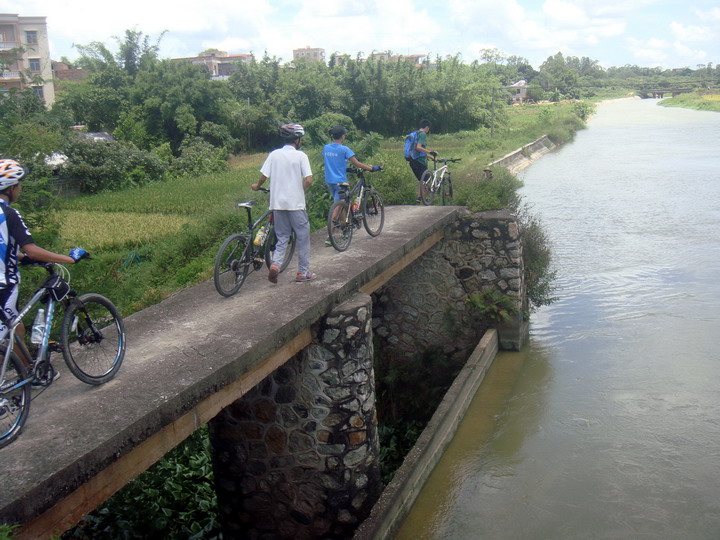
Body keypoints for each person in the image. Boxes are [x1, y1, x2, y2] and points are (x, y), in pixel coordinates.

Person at [0, 159, 86, 369]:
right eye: (19, 185)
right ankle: (20, 379)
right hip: (4, 285)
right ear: (11, 188)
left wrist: (21, 257)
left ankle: (27, 375)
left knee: (17, 330)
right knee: (9, 333)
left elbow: (4, 246)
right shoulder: (9, 214)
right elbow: (31, 249)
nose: (20, 189)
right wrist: (67, 259)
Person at [252, 124, 315, 283]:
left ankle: (275, 264)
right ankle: (302, 272)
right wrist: (299, 190)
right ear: (297, 139)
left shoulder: (274, 154)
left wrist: (257, 186)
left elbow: (263, 176)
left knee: (282, 237)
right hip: (296, 205)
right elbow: (309, 180)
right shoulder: (301, 156)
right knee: (303, 237)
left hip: (277, 204)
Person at [322, 125, 380, 245]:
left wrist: (345, 168)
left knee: (341, 204)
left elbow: (334, 162)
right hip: (341, 182)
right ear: (343, 136)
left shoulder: (326, 148)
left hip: (329, 181)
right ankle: (330, 236)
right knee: (337, 207)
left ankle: (345, 229)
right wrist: (371, 168)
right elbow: (357, 164)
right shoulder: (345, 149)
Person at [407, 119, 437, 203]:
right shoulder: (423, 134)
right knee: (426, 180)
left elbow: (417, 151)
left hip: (412, 161)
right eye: (428, 129)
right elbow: (418, 147)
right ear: (427, 127)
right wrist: (430, 152)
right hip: (420, 162)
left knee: (422, 180)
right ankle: (424, 201)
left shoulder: (415, 133)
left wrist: (430, 157)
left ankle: (419, 198)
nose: (428, 130)